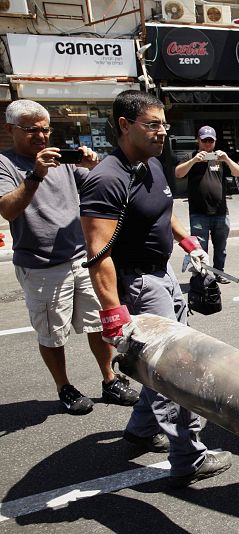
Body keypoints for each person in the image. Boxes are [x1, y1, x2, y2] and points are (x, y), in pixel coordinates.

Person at [79, 90, 232, 488]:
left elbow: (165, 211)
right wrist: (113, 314)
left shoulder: (150, 164)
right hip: (138, 285)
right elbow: (98, 253)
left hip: (162, 277)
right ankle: (189, 458)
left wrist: (190, 244)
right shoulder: (107, 178)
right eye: (153, 124)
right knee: (176, 372)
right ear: (125, 126)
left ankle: (142, 429)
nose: (163, 131)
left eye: (164, 124)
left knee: (160, 366)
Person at [0, 99, 139, 415]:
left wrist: (94, 167)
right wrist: (35, 174)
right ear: (10, 129)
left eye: (45, 129)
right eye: (31, 130)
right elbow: (8, 208)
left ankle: (109, 379)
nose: (41, 136)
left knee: (97, 324)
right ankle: (64, 385)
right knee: (52, 332)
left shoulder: (63, 161)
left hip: (81, 258)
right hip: (41, 265)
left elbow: (98, 190)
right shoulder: (4, 163)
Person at [174, 126, 239, 284]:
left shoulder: (219, 158)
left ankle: (218, 273)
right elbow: (178, 173)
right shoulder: (190, 156)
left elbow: (238, 172)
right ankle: (202, 276)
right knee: (199, 249)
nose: (207, 144)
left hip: (220, 211)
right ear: (198, 140)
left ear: (215, 141)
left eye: (210, 141)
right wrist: (194, 160)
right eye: (204, 140)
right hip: (199, 212)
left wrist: (226, 159)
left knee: (221, 248)